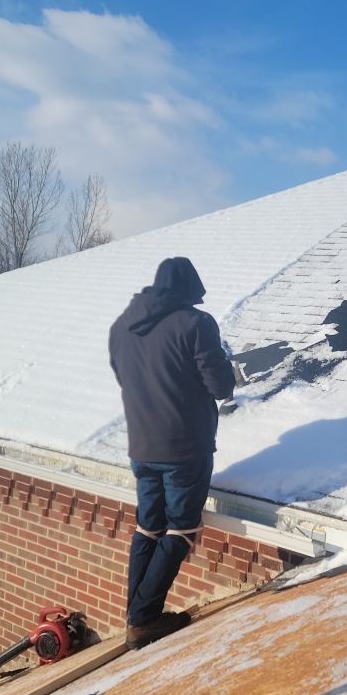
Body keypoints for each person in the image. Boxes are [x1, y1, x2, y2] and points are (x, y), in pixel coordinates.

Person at [109, 257, 235, 650]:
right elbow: (219, 386)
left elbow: (123, 376)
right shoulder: (197, 324)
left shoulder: (120, 326)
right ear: (189, 289)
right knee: (181, 528)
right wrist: (229, 371)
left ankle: (136, 614)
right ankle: (143, 619)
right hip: (185, 448)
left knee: (149, 526)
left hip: (141, 445)